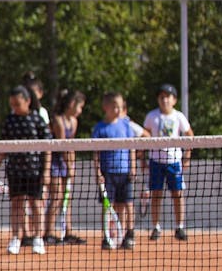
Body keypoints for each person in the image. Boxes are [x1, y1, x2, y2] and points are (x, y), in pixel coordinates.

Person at [0, 86, 52, 255]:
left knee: (36, 204)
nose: (15, 108)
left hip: (34, 170)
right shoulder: (10, 121)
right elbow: (3, 147)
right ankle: (16, 237)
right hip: (15, 170)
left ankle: (38, 238)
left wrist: (46, 171)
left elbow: (48, 147)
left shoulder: (38, 120)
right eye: (12, 104)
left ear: (27, 101)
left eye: (17, 104)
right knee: (16, 203)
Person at [141, 84, 194, 241]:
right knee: (156, 194)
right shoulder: (152, 116)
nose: (164, 100)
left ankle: (179, 227)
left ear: (174, 100)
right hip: (156, 162)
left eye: (168, 97)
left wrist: (187, 155)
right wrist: (142, 158)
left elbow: (190, 135)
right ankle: (156, 227)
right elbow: (144, 136)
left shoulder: (179, 117)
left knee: (177, 195)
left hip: (174, 162)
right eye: (161, 97)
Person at [90, 92, 137, 250]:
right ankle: (108, 236)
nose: (118, 109)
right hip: (107, 172)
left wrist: (133, 166)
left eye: (120, 106)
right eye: (114, 106)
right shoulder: (99, 128)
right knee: (108, 206)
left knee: (126, 204)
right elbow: (95, 152)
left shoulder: (125, 125)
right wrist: (98, 172)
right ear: (106, 107)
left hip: (124, 172)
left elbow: (131, 147)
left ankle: (127, 234)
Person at [43, 89, 87, 245]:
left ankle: (68, 232)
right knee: (56, 196)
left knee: (66, 198)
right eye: (80, 106)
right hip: (54, 161)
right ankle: (48, 232)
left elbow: (71, 146)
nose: (80, 110)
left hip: (66, 161)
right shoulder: (57, 121)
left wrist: (72, 165)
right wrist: (68, 165)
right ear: (71, 104)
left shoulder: (74, 122)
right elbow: (62, 146)